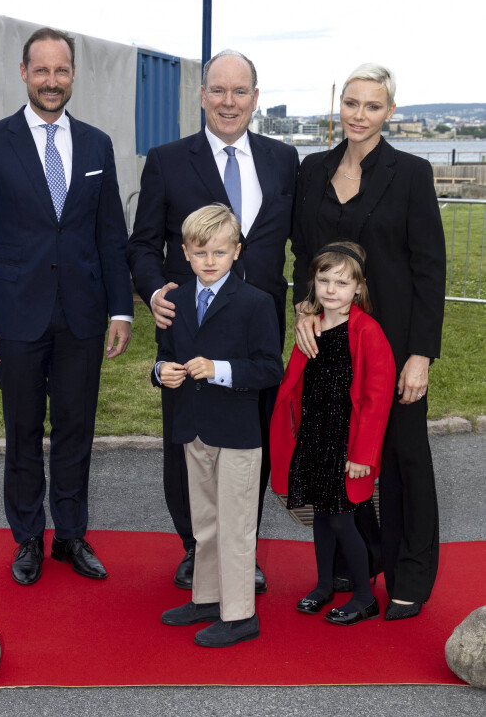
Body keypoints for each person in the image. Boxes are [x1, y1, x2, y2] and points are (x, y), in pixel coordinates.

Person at [0, 27, 134, 586]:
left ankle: (72, 536)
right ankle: (29, 536)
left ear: (73, 74)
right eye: (42, 71)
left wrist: (120, 311)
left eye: (61, 71)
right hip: (14, 315)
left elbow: (110, 236)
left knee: (78, 429)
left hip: (81, 316)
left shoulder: (98, 144)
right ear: (24, 73)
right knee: (24, 430)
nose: (52, 82)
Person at [127, 50, 299, 593]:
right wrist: (153, 291)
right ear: (202, 95)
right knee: (188, 443)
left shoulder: (284, 159)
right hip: (188, 326)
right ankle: (196, 550)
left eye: (240, 91)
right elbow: (141, 246)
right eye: (218, 90)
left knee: (252, 444)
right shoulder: (167, 159)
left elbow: (303, 240)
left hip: (258, 328)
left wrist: (317, 302)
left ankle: (239, 550)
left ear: (255, 97)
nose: (229, 102)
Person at [291, 64, 446, 620]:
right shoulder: (312, 170)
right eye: (351, 103)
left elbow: (430, 268)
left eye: (372, 106)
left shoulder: (410, 173)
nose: (359, 115)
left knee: (403, 456)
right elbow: (301, 254)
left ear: (390, 113)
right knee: (336, 453)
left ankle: (410, 573)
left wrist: (421, 354)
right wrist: (304, 310)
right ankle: (350, 567)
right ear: (341, 107)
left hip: (395, 341)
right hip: (330, 340)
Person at [156, 204, 283, 647]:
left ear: (236, 252)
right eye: (200, 252)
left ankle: (240, 614)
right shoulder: (172, 301)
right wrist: (162, 373)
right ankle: (208, 598)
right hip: (193, 428)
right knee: (204, 522)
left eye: (219, 252)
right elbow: (162, 355)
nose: (209, 261)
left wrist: (219, 369)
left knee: (235, 525)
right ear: (185, 254)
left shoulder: (256, 303)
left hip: (238, 433)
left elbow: (270, 369)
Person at [271, 242, 395, 625]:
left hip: (347, 442)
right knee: (321, 516)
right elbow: (295, 383)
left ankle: (364, 595)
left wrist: (363, 454)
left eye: (341, 283)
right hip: (314, 437)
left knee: (342, 519)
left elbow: (377, 398)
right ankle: (324, 584)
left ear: (358, 288)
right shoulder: (311, 328)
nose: (330, 289)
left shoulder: (367, 331)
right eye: (323, 279)